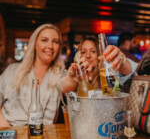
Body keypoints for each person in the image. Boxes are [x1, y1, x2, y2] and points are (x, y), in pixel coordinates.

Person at [0, 24, 134, 128]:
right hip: (9, 132)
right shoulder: (12, 70)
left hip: (44, 136)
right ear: (34, 44)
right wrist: (7, 129)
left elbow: (65, 84)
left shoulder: (61, 73)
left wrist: (73, 80)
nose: (50, 46)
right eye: (44, 40)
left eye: (55, 42)